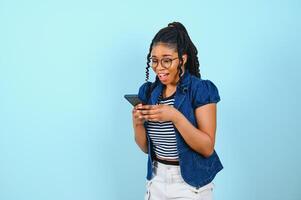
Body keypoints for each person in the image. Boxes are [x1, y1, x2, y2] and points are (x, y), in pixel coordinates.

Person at [132, 21, 223, 200]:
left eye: (166, 60)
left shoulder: (200, 90)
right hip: (156, 179)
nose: (159, 67)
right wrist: (137, 123)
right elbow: (145, 148)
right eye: (154, 60)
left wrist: (175, 116)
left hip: (189, 184)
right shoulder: (149, 92)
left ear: (183, 58)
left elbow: (207, 148)